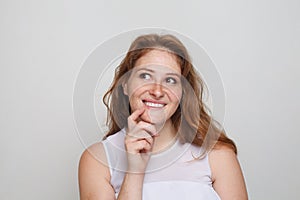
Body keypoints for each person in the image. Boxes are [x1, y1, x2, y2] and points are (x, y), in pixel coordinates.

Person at [78, 34, 248, 200]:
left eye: (170, 80)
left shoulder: (217, 154)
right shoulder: (97, 161)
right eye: (145, 76)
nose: (157, 91)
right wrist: (135, 171)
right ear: (125, 85)